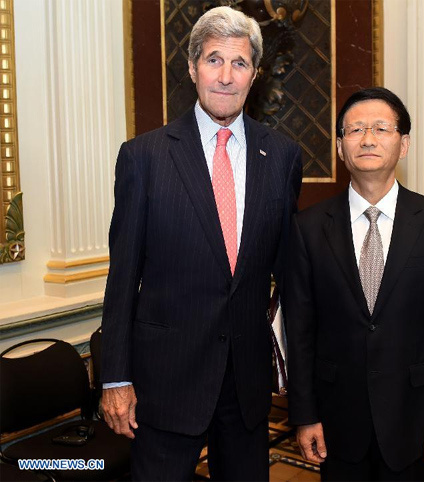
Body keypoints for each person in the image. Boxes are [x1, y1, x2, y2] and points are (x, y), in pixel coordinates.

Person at [100, 6, 302, 481]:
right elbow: (123, 277)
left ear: (255, 73)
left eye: (239, 63)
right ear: (192, 68)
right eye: (214, 60)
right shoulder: (144, 157)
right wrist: (115, 377)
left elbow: (290, 278)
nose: (226, 77)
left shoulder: (283, 157)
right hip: (166, 384)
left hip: (246, 389)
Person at [286, 87, 424, 481]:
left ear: (403, 145)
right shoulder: (307, 228)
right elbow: (300, 331)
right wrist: (304, 415)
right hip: (336, 421)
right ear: (340, 147)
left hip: (415, 420)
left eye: (381, 128)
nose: (367, 138)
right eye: (355, 130)